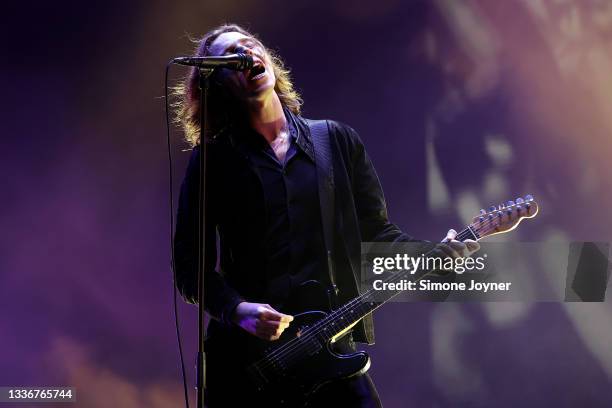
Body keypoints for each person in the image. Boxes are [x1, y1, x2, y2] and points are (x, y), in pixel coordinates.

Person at [173, 23, 478, 408]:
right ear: (217, 88)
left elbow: (377, 234)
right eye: (230, 58)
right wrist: (238, 310)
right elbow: (189, 267)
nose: (246, 56)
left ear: (267, 58)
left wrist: (432, 254)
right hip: (249, 364)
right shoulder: (211, 163)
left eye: (249, 46)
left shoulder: (335, 141)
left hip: (329, 347)